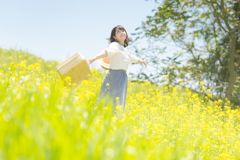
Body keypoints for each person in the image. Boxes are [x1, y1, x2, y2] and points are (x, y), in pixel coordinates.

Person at [88, 25, 147, 110]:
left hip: (122, 76)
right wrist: (94, 58)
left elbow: (132, 57)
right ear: (114, 37)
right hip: (115, 76)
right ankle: (108, 118)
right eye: (118, 32)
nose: (121, 32)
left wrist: (142, 61)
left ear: (126, 33)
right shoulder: (114, 45)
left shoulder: (123, 49)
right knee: (114, 100)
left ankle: (113, 119)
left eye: (123, 30)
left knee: (118, 99)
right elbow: (107, 52)